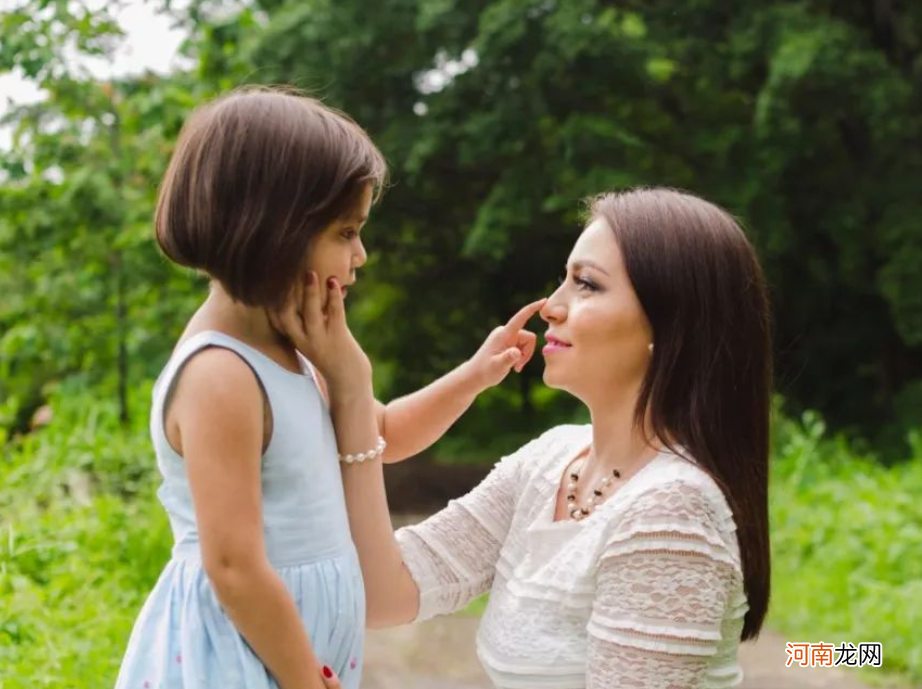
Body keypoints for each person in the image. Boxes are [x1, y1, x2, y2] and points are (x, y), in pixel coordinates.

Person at [114, 86, 544, 689]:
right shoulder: (222, 376)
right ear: (269, 230)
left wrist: (475, 374)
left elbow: (384, 433)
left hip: (298, 657)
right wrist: (302, 680)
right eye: (346, 233)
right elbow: (233, 566)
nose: (361, 255)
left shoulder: (299, 353)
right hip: (239, 658)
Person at [274, 186, 772, 688]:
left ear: (667, 327)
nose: (551, 307)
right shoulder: (549, 461)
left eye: (587, 285)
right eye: (564, 280)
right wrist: (352, 392)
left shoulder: (672, 513)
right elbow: (383, 592)